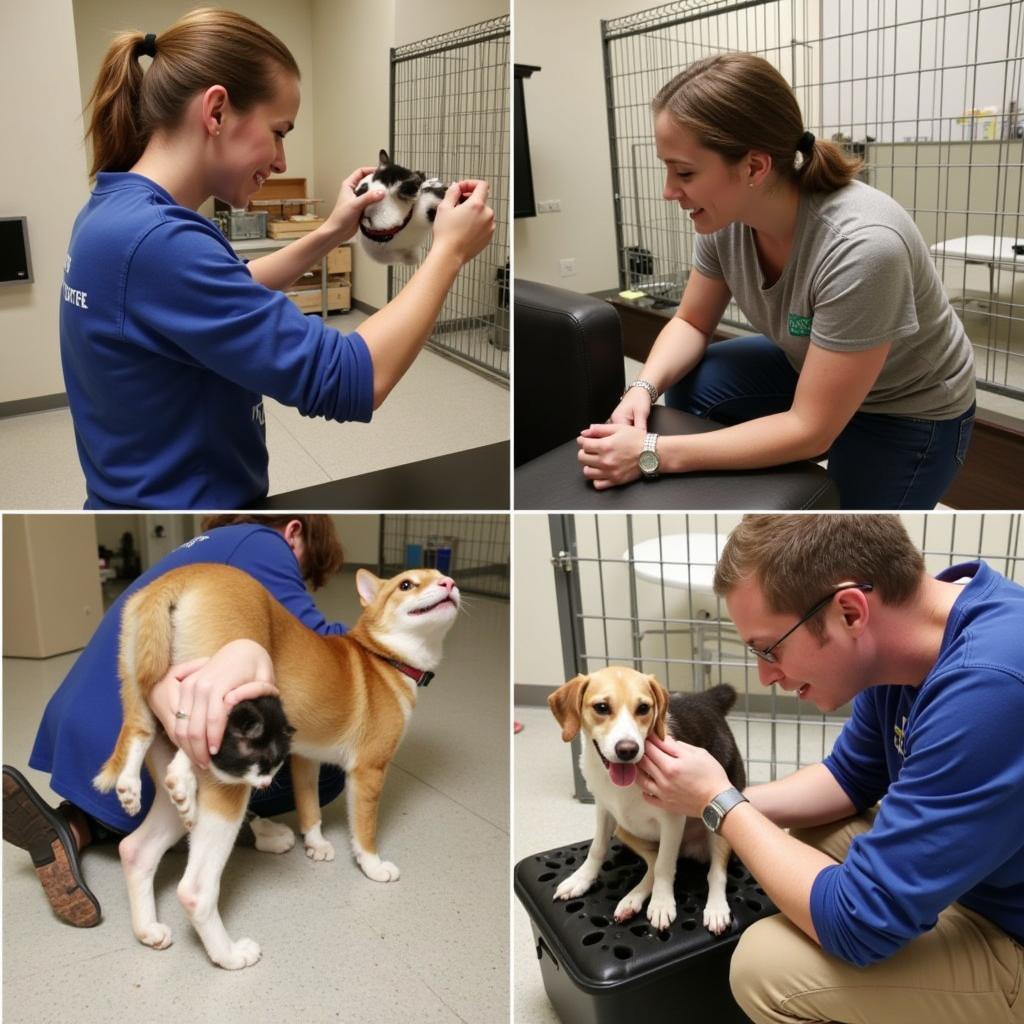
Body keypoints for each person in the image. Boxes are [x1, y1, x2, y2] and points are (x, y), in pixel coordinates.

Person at [61, 7, 495, 509]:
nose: (282, 160)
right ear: (217, 112)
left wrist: (333, 230)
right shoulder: (158, 242)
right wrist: (449, 253)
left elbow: (227, 288)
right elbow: (353, 378)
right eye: (280, 131)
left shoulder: (115, 213)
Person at [637, 515, 1024, 1023]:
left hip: (1010, 927)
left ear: (849, 611)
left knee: (765, 968)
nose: (766, 674)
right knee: (809, 831)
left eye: (769, 648)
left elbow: (858, 925)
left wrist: (721, 803)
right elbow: (850, 776)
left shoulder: (991, 688)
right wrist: (701, 809)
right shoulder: (918, 632)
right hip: (990, 873)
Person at [578, 53, 976, 509]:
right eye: (666, 168)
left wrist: (651, 454)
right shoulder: (725, 218)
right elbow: (691, 322)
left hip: (907, 408)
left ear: (754, 167)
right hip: (810, 367)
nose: (669, 190)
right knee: (696, 379)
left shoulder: (863, 247)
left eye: (684, 172)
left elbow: (811, 428)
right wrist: (642, 389)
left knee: (840, 523)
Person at [2, 514, 351, 928]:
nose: (298, 585)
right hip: (131, 730)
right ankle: (216, 823)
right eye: (303, 572)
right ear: (294, 533)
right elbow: (320, 644)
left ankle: (75, 827)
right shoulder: (265, 545)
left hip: (81, 721)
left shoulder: (211, 545)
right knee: (322, 766)